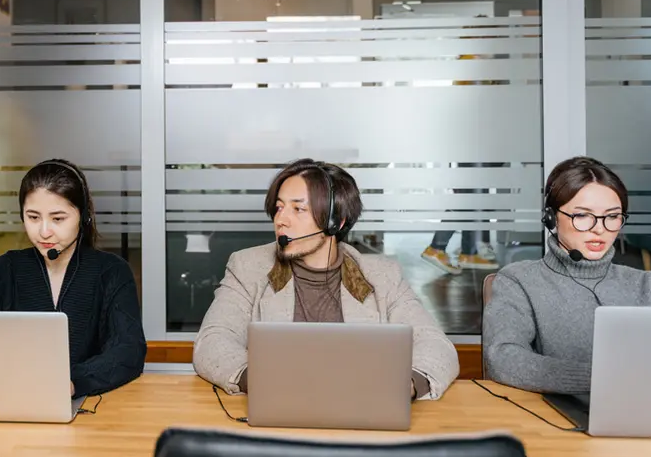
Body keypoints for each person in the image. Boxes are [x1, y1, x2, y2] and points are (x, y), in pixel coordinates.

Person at [193, 159, 459, 400]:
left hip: (361, 419)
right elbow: (213, 342)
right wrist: (261, 381)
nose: (281, 220)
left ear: (336, 222)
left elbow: (436, 346)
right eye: (279, 208)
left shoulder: (382, 276)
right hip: (278, 415)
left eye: (298, 209)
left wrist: (405, 385)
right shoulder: (248, 267)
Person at [0, 159, 146, 397]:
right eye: (33, 217)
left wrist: (73, 383)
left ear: (83, 216)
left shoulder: (112, 272)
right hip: (10, 399)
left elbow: (128, 350)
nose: (44, 232)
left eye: (58, 219)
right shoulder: (4, 270)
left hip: (88, 406)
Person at [484, 157, 651, 393]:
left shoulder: (646, 285)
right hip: (550, 419)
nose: (599, 228)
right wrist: (602, 379)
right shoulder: (519, 281)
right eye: (583, 216)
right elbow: (503, 359)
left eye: (612, 216)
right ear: (551, 218)